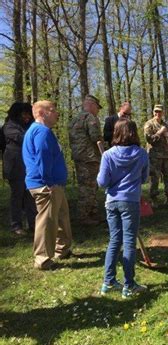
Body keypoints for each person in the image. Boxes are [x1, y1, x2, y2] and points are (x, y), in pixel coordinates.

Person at [97, 119, 149, 298]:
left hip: (112, 201)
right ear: (134, 133)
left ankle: (108, 281)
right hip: (130, 202)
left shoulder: (108, 155)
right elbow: (144, 178)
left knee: (114, 241)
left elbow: (102, 182)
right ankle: (128, 285)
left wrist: (113, 180)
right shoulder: (141, 154)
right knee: (128, 243)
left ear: (116, 133)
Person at [22, 101, 73, 270]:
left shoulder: (41, 131)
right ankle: (42, 259)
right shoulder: (41, 131)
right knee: (47, 221)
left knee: (61, 216)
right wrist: (48, 181)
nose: (57, 113)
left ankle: (62, 249)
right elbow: (43, 157)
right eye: (53, 110)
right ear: (42, 113)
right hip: (46, 185)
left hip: (53, 184)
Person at [68, 94, 104, 225]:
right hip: (90, 157)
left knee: (87, 186)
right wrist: (105, 153)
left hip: (79, 157)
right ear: (91, 105)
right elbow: (96, 138)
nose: (97, 110)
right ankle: (83, 217)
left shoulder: (74, 120)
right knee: (89, 188)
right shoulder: (90, 118)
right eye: (97, 108)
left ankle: (93, 214)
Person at [2, 102, 37, 235]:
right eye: (24, 114)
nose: (27, 117)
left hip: (28, 167)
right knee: (17, 196)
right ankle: (16, 225)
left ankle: (33, 223)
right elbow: (23, 139)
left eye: (29, 114)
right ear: (17, 114)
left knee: (30, 196)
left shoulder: (29, 126)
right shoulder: (9, 127)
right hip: (14, 168)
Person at [144, 104, 168, 206]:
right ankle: (154, 198)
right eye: (156, 111)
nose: (158, 113)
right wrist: (160, 133)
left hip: (166, 155)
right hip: (154, 155)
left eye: (160, 111)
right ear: (153, 112)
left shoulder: (166, 125)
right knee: (154, 177)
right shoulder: (149, 124)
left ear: (163, 113)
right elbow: (149, 139)